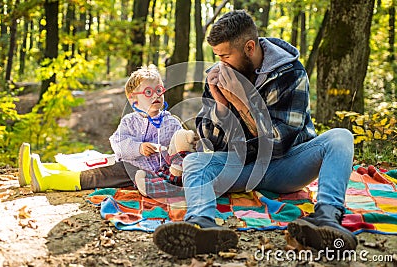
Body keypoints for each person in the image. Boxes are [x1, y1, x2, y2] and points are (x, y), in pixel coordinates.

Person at [153, 10, 357, 259]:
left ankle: (326, 218)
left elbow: (279, 145)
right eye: (217, 56)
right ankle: (201, 225)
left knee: (340, 137)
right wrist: (221, 107)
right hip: (241, 167)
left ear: (249, 47)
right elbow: (209, 143)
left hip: (287, 166)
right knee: (194, 161)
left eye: (226, 56)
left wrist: (242, 103)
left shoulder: (290, 73)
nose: (221, 64)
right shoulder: (220, 76)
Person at [21, 65, 186, 197]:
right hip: (127, 162)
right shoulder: (130, 121)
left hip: (141, 173)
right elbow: (118, 144)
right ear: (133, 99)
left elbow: (181, 149)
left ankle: (48, 180)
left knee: (97, 176)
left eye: (159, 90)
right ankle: (34, 171)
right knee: (90, 163)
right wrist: (138, 148)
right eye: (148, 92)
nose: (156, 95)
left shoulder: (171, 123)